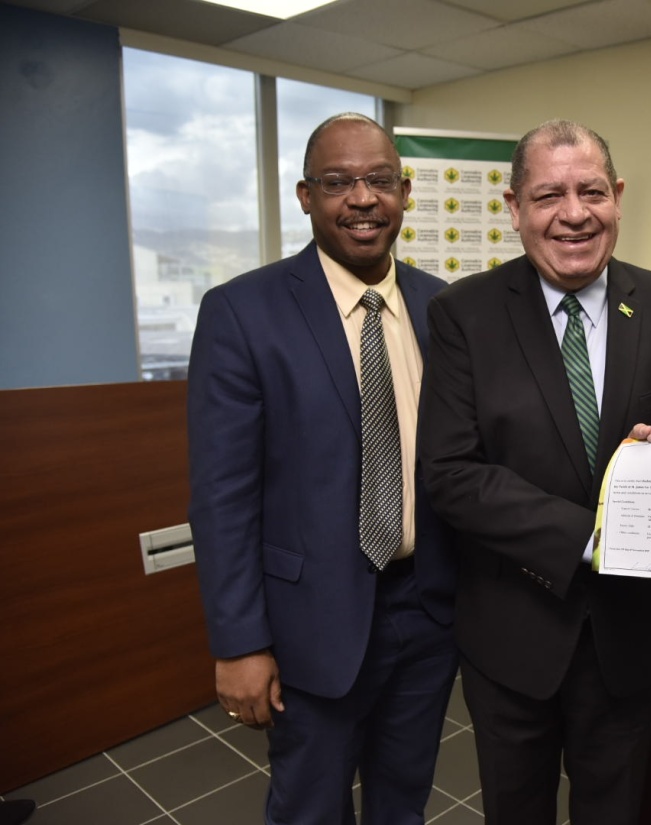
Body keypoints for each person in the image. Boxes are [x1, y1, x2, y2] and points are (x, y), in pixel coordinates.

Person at [417, 120, 651, 825]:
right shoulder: (463, 315)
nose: (574, 213)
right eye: (549, 195)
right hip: (512, 634)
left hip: (630, 635)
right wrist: (597, 535)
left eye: (591, 191)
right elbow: (453, 473)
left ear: (617, 196)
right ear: (515, 207)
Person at [187, 112, 456, 825]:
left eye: (378, 180)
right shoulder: (242, 312)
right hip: (311, 622)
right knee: (310, 807)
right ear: (306, 196)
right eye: (338, 183)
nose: (361, 199)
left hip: (427, 612)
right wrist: (239, 641)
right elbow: (223, 495)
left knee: (404, 801)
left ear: (406, 191)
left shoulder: (447, 307)